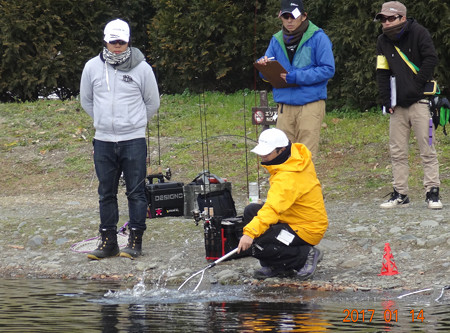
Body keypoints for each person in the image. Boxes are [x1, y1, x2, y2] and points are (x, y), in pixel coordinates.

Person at [80, 19, 160, 259]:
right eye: (113, 41)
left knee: (136, 192)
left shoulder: (142, 68)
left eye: (121, 42)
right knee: (106, 193)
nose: (117, 46)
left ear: (128, 42)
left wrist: (133, 124)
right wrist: (104, 122)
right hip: (103, 140)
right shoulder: (92, 67)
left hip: (133, 140)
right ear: (105, 40)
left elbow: (152, 102)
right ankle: (108, 242)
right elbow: (86, 100)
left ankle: (135, 241)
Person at [375, 2, 442, 209]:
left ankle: (432, 192)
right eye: (383, 19)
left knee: (427, 148)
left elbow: (431, 59)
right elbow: (382, 71)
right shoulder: (382, 41)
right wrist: (386, 100)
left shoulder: (419, 32)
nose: (386, 22)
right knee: (397, 151)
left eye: (391, 18)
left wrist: (415, 86)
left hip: (421, 102)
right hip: (397, 105)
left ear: (402, 17)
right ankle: (400, 193)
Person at [237, 128, 328, 279]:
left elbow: (272, 208)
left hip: (307, 228)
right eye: (261, 153)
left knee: (257, 245)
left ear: (282, 150)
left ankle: (305, 256)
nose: (263, 157)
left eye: (267, 154)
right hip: (291, 217)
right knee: (251, 211)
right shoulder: (294, 159)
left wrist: (249, 234)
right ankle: (276, 266)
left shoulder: (288, 177)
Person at [255, 0, 335, 158]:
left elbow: (328, 69)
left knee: (305, 157)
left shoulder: (319, 37)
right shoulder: (276, 40)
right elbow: (265, 73)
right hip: (284, 108)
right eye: (286, 16)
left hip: (310, 105)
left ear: (304, 16)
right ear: (280, 17)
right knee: (282, 156)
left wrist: (296, 77)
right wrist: (263, 67)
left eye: (294, 15)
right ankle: (286, 184)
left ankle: (304, 184)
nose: (290, 20)